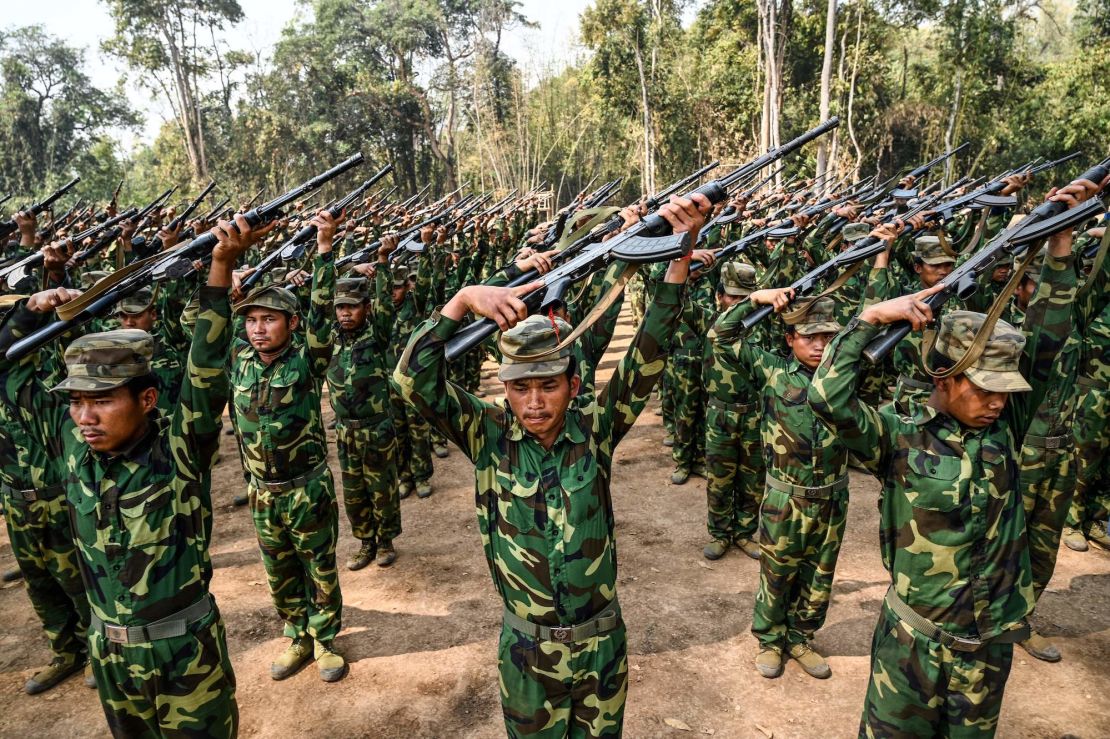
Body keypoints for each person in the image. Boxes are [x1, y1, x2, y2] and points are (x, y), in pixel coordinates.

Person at [394, 193, 709, 738]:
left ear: (573, 384)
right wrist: (464, 299)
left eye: (548, 385)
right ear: (504, 388)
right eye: (520, 387)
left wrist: (679, 256)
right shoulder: (487, 434)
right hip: (526, 652)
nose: (534, 402)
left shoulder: (595, 428)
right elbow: (411, 380)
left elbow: (649, 350)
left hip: (600, 644)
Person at [808, 174, 1099, 737]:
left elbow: (1047, 336)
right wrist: (867, 319)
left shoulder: (1006, 426)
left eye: (1002, 389)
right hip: (912, 647)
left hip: (987, 651)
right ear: (942, 377)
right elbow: (828, 398)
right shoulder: (898, 436)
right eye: (981, 387)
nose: (995, 402)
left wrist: (1061, 242)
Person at [0, 212, 268, 737]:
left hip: (184, 656)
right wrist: (36, 306)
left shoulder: (179, 448)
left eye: (101, 401)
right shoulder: (69, 448)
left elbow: (206, 369)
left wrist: (219, 268)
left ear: (147, 399)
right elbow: (10, 365)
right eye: (75, 402)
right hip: (110, 656)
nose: (85, 417)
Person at [229, 209, 348, 683]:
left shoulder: (305, 360)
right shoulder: (237, 362)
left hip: (306, 488)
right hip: (263, 490)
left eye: (269, 319)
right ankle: (296, 633)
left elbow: (322, 316)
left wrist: (323, 249)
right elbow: (200, 324)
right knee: (277, 568)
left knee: (319, 565)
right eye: (252, 320)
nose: (258, 328)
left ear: (291, 324)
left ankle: (324, 639)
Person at [327, 237, 402, 570]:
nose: (345, 313)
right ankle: (365, 542)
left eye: (352, 306)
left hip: (376, 428)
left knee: (381, 487)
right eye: (340, 307)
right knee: (354, 491)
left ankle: (385, 541)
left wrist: (383, 261)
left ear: (366, 308)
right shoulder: (327, 339)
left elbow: (386, 303)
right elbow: (307, 299)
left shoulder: (377, 333)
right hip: (345, 431)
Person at [702, 261, 764, 560]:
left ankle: (744, 532)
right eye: (733, 297)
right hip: (721, 415)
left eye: (745, 297)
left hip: (754, 414)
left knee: (753, 479)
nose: (738, 304)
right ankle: (719, 533)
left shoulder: (761, 328)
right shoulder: (713, 324)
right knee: (720, 479)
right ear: (720, 297)